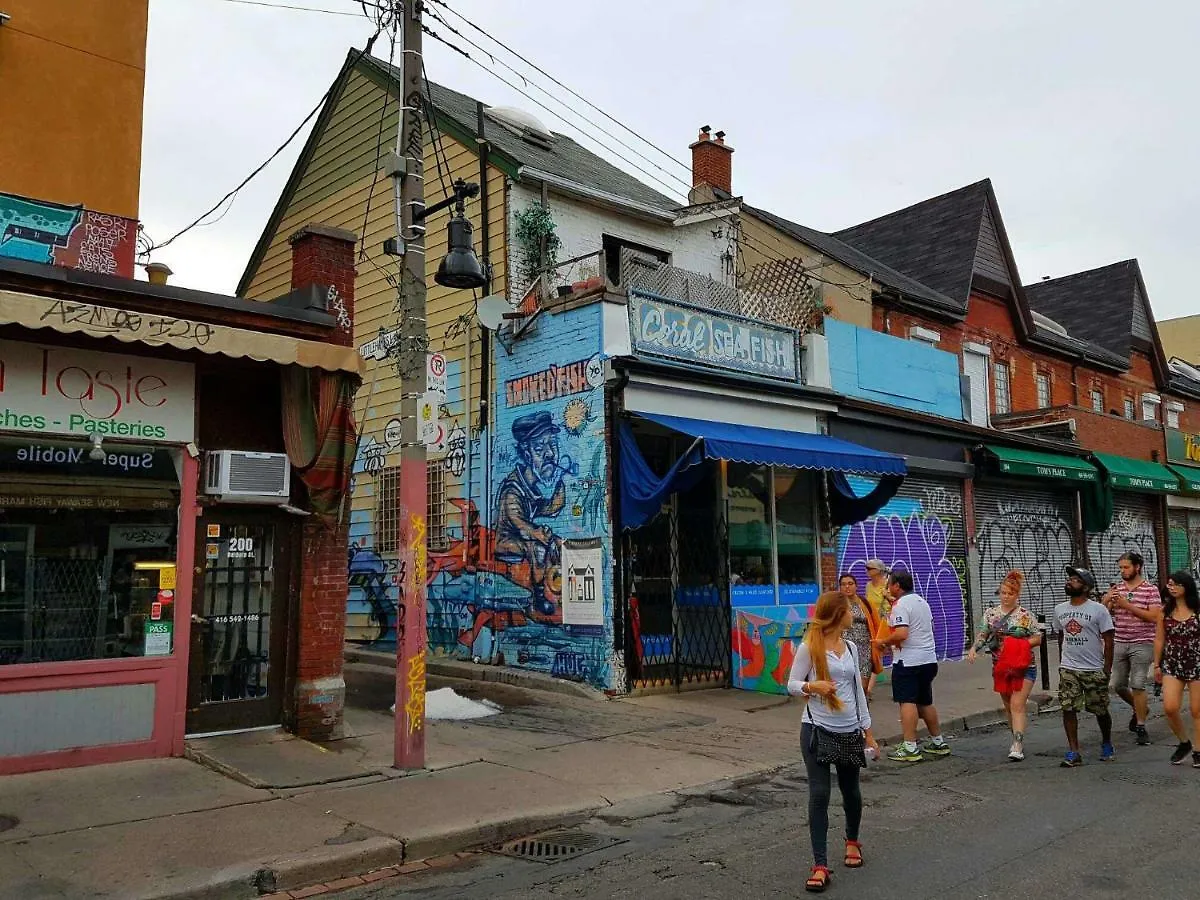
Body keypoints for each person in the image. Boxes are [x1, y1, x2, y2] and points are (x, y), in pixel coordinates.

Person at [787, 591, 879, 893]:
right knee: (819, 794)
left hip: (849, 728)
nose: (853, 613)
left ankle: (852, 841)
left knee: (851, 790)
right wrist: (811, 686)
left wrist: (868, 731)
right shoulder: (809, 647)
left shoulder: (851, 647)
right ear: (838, 614)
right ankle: (820, 864)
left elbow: (857, 691)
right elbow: (791, 684)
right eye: (849, 610)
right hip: (817, 728)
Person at [874, 570, 950, 761]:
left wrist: (883, 642)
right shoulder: (922, 602)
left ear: (897, 586)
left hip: (908, 661)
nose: (888, 587)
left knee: (907, 701)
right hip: (928, 659)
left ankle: (910, 747)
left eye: (890, 584)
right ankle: (938, 742)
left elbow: (901, 634)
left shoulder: (900, 605)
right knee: (925, 702)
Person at [967, 570, 1042, 761]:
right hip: (1000, 667)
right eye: (1003, 593)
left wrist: (1020, 645)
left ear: (1017, 595)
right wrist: (974, 648)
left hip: (1024, 667)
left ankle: (1017, 744)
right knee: (1009, 706)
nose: (1006, 597)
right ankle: (1016, 736)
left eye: (1010, 593)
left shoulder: (1025, 615)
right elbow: (984, 634)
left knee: (1018, 704)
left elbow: (1037, 637)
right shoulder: (991, 614)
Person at [1055, 566, 1115, 767]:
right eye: (1069, 579)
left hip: (1093, 668)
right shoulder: (1059, 609)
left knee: (1100, 710)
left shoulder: (1099, 610)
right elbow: (1061, 635)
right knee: (1068, 708)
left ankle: (1106, 742)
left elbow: (1109, 640)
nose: (1070, 582)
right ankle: (1074, 750)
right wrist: (1062, 663)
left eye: (1076, 580)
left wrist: (1107, 669)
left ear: (1086, 587)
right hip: (1069, 667)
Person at [1100, 551, 1162, 745]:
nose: (1123, 571)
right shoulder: (1117, 589)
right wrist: (1107, 600)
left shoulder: (1150, 590)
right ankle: (1140, 707)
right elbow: (1103, 613)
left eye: (1126, 567)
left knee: (1137, 684)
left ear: (1138, 567)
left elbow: (1154, 617)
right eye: (1120, 567)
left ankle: (1141, 725)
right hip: (1120, 641)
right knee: (1117, 685)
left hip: (1143, 642)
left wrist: (1127, 606)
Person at [1152, 571, 1200, 766]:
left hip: (1197, 662)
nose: (1170, 587)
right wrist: (1156, 664)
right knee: (1170, 707)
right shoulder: (1164, 611)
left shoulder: (1197, 610)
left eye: (1175, 584)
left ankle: (1199, 749)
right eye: (1169, 583)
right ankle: (1184, 742)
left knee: (1197, 710)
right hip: (1172, 663)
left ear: (1186, 587)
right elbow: (1159, 639)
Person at [839, 573, 884, 700]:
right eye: (843, 584)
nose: (847, 587)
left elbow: (877, 624)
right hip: (843, 650)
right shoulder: (837, 605)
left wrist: (880, 643)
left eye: (850, 584)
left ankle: (863, 716)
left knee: (862, 688)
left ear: (856, 586)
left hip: (865, 650)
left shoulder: (865, 603)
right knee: (846, 687)